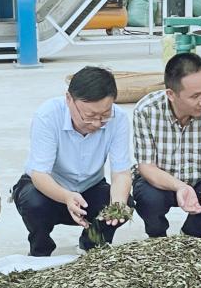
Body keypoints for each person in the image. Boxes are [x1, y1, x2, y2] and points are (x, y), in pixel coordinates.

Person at [12, 67, 133, 256]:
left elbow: (121, 173)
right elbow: (39, 174)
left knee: (125, 202)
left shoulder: (119, 119)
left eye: (104, 115)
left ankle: (91, 243)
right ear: (69, 99)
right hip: (49, 189)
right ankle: (40, 250)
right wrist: (66, 196)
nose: (96, 123)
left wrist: (118, 204)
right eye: (89, 116)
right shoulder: (48, 115)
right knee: (33, 202)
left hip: (90, 187)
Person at [132, 52, 201, 237]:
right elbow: (147, 167)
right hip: (161, 182)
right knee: (148, 198)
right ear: (171, 94)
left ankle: (191, 234)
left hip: (199, 180)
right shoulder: (146, 111)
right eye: (195, 96)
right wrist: (180, 187)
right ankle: (157, 239)